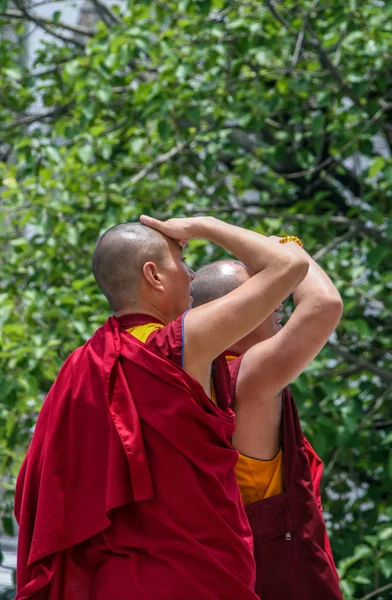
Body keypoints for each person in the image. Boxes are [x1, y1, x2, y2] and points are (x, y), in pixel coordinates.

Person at [14, 216, 309, 600]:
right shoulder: (175, 348)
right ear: (153, 276)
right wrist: (203, 225)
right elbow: (291, 266)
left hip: (111, 584)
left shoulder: (78, 367)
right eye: (183, 263)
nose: (191, 278)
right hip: (189, 580)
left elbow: (42, 490)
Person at [191, 238, 344, 600]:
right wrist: (287, 247)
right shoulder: (243, 378)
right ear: (233, 316)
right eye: (264, 295)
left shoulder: (193, 379)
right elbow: (323, 304)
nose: (279, 304)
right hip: (278, 577)